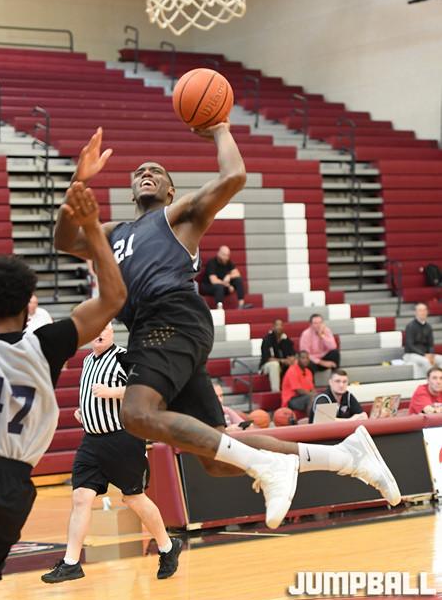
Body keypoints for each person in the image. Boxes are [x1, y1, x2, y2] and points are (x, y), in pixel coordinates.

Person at [54, 126, 400, 532]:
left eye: (157, 171)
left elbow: (234, 176)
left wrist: (219, 128)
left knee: (135, 414)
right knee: (217, 459)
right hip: (154, 328)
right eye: (140, 172)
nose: (146, 173)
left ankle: (270, 466)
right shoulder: (114, 233)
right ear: (131, 191)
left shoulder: (178, 216)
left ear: (170, 191)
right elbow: (64, 240)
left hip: (171, 317)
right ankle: (347, 456)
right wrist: (78, 181)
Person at [0, 184, 126, 600]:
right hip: (13, 489)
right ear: (29, 303)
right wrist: (92, 227)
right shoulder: (47, 345)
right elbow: (114, 297)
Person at [42, 322, 181, 584]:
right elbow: (92, 396)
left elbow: (148, 391)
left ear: (112, 331)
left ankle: (167, 546)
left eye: (103, 328)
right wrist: (84, 411)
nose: (98, 333)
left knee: (134, 498)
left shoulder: (123, 357)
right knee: (81, 497)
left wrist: (113, 392)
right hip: (91, 442)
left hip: (122, 439)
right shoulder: (87, 361)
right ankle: (71, 563)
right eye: (94, 329)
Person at [200, 245, 251, 309]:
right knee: (219, 287)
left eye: (227, 255)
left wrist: (229, 276)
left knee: (238, 280)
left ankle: (241, 304)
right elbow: (214, 281)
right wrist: (228, 285)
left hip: (224, 287)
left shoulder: (228, 262)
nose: (226, 257)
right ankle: (219, 308)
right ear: (219, 254)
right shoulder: (212, 263)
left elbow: (237, 274)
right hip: (208, 286)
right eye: (224, 255)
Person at [403, 303, 442, 379]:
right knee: (426, 361)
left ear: (427, 312)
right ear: (416, 312)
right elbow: (410, 345)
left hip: (425, 354)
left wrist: (431, 354)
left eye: (424, 310)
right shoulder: (410, 326)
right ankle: (432, 381)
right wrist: (424, 354)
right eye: (420, 310)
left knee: (440, 359)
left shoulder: (428, 327)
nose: (423, 312)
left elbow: (430, 344)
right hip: (411, 354)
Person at [259, 319, 296, 392]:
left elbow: (292, 354)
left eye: (281, 325)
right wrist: (282, 360)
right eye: (277, 325)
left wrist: (291, 359)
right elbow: (268, 358)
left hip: (283, 365)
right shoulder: (267, 340)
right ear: (273, 327)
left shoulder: (286, 340)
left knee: (296, 363)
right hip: (266, 366)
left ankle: (295, 390)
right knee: (274, 365)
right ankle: (276, 391)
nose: (279, 327)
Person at [281, 351, 316, 416]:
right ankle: (311, 421)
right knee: (311, 398)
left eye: (307, 358)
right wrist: (313, 395)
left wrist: (317, 395)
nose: (305, 360)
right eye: (303, 358)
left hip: (304, 397)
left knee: (319, 397)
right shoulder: (292, 370)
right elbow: (299, 391)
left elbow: (312, 389)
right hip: (291, 400)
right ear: (298, 359)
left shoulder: (309, 372)